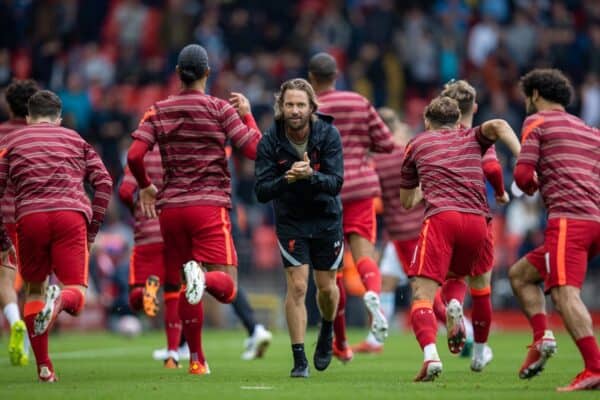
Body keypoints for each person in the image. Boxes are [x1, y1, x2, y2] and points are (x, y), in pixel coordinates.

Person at [126, 44, 262, 376]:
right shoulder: (220, 108)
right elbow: (254, 149)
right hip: (208, 206)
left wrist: (145, 184)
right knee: (227, 287)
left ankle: (197, 360)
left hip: (170, 211)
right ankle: (199, 279)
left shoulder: (157, 110)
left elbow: (133, 156)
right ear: (207, 72)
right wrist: (247, 114)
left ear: (177, 73)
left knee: (187, 287)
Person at [400, 96, 520, 382]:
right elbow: (501, 125)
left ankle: (430, 355)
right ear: (457, 121)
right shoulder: (471, 137)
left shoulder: (417, 144)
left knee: (422, 295)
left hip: (442, 218)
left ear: (427, 122)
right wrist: (524, 156)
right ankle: (476, 346)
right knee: (466, 281)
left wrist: (426, 188)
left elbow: (406, 201)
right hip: (478, 222)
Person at [0, 90, 113, 382]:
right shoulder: (76, 139)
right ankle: (59, 301)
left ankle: (44, 368)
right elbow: (104, 182)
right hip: (70, 216)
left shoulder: (12, 143)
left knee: (34, 290)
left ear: (28, 118)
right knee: (76, 291)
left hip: (29, 218)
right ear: (59, 118)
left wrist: (2, 239)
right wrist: (93, 228)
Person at [512, 68, 600, 391]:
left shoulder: (537, 122)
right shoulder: (590, 131)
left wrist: (533, 184)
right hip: (594, 221)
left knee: (564, 294)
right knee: (521, 275)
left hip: (567, 221)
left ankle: (594, 367)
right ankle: (541, 340)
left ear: (535, 94)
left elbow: (523, 176)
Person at [254, 78, 343, 378]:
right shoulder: (269, 140)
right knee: (298, 286)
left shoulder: (328, 134)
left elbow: (336, 183)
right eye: (289, 104)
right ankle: (299, 359)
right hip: (292, 220)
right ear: (281, 106)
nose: (295, 110)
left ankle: (327, 330)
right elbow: (261, 191)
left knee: (327, 289)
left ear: (311, 108)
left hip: (326, 217)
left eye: (300, 105)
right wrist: (288, 180)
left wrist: (311, 176)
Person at [308, 52, 393, 357]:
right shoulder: (360, 102)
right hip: (360, 188)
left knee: (334, 273)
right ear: (337, 74)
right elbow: (386, 143)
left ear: (311, 78)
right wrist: (360, 147)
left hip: (325, 193)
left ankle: (340, 344)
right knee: (364, 254)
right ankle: (372, 292)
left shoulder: (310, 107)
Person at [438, 79, 511, 370]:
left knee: (452, 279)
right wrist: (502, 191)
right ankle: (480, 352)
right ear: (475, 107)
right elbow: (492, 166)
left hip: (443, 216)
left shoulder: (437, 137)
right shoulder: (478, 136)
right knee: (481, 287)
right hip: (477, 217)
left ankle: (453, 308)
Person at [350, 108, 425, 356]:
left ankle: (465, 333)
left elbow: (372, 195)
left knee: (423, 291)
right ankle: (374, 339)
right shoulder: (412, 153)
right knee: (386, 284)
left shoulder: (380, 161)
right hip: (413, 229)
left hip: (404, 233)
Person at [119, 146, 183, 368]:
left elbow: (125, 192)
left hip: (147, 235)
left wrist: (136, 209)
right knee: (173, 294)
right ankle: (173, 355)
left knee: (135, 298)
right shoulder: (177, 151)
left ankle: (146, 292)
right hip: (175, 232)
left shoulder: (139, 156)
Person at [0, 79, 38, 367]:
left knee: (4, 280)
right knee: (34, 283)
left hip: (3, 217)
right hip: (33, 215)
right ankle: (33, 346)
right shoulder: (42, 136)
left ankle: (15, 322)